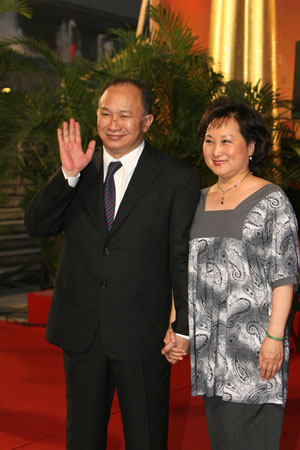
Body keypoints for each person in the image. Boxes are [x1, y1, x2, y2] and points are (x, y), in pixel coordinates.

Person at [24, 78, 200, 450]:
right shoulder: (81, 167)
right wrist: (68, 175)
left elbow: (180, 254)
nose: (113, 123)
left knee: (146, 437)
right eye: (105, 113)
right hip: (83, 329)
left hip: (144, 332)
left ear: (147, 121)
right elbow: (37, 225)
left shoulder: (175, 177)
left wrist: (182, 324)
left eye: (125, 114)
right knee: (82, 438)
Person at [169, 101, 299, 450]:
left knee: (254, 439)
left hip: (254, 347)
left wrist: (275, 337)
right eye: (209, 140)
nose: (216, 150)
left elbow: (285, 276)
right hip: (209, 351)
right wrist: (176, 325)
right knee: (222, 440)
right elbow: (185, 270)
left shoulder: (272, 200)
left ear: (251, 146)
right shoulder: (195, 200)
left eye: (227, 140)